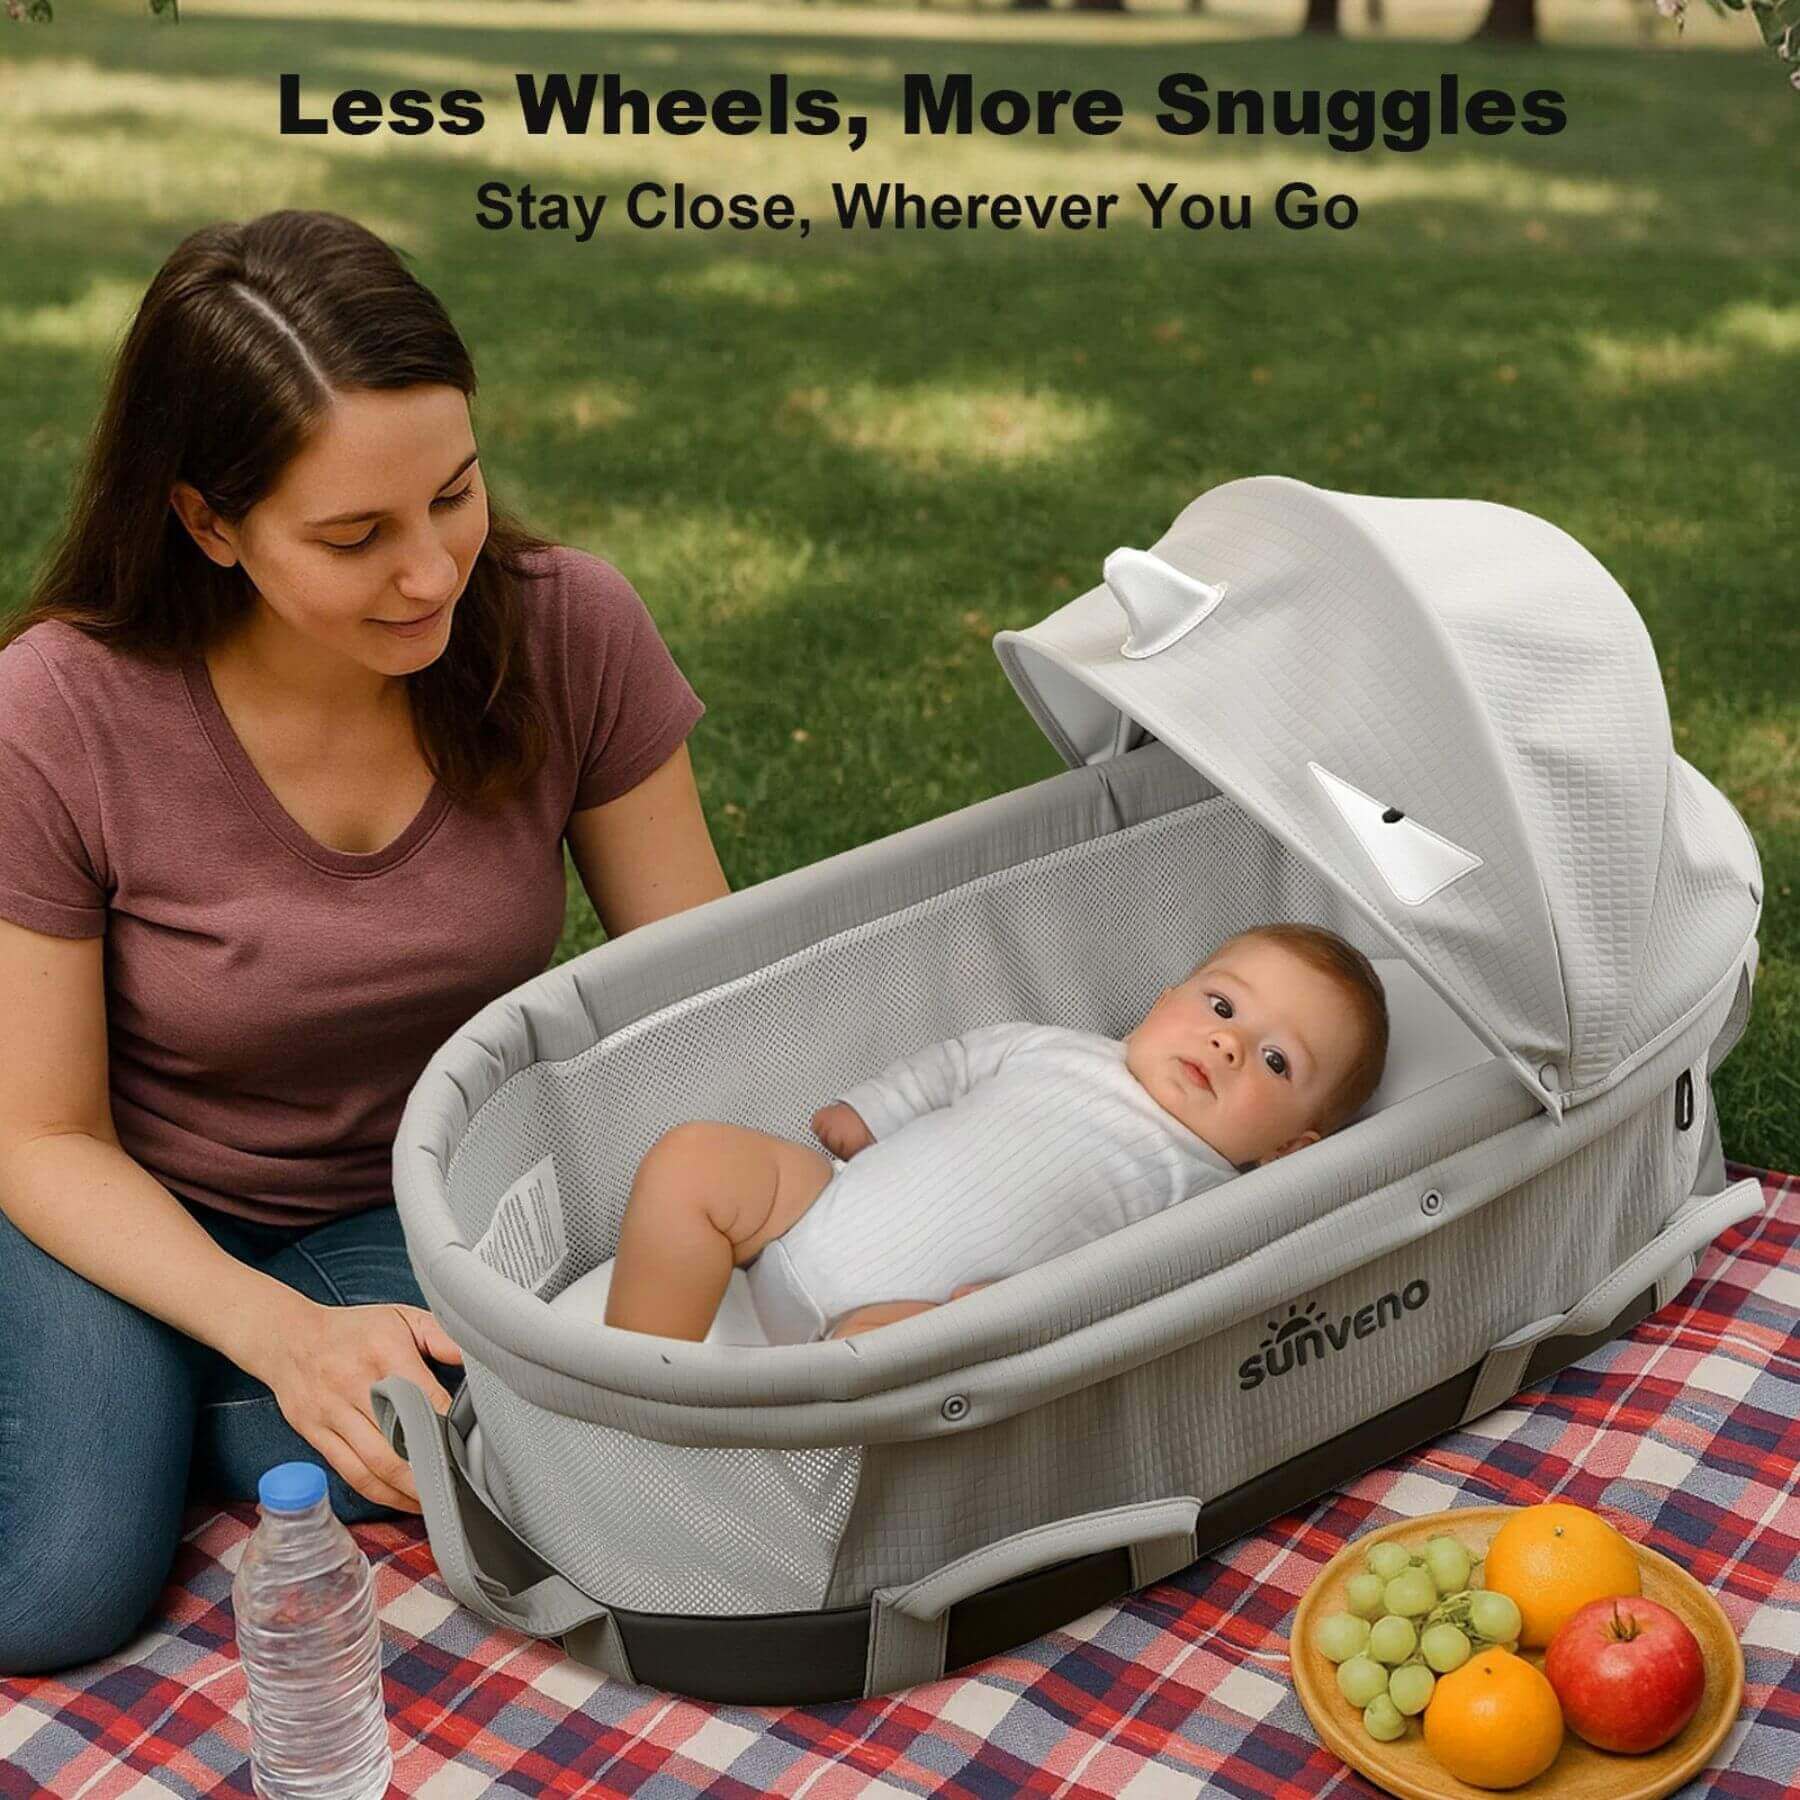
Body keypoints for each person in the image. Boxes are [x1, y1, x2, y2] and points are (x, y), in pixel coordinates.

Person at [0, 211, 730, 1673]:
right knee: (62, 1586)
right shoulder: (58, 712)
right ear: (209, 522)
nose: (430, 576)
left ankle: (171, 1401)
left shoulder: (567, 629)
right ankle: (149, 1385)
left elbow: (702, 997)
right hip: (119, 1197)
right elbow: (41, 1134)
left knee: (458, 1465)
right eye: (353, 538)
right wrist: (278, 1335)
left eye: (453, 496)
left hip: (407, 1201)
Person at [604, 924, 1388, 1344]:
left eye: (1277, 1060)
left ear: (1290, 1151)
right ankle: (638, 1375)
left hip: (914, 1313)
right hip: (818, 1210)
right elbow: (957, 1064)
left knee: (919, 1355)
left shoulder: (1208, 1191)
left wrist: (1025, 1308)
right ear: (1162, 1000)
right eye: (1221, 1007)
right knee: (694, 1159)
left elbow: (1138, 1293)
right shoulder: (1058, 1045)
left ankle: (764, 1415)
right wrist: (875, 1110)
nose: (1229, 1044)